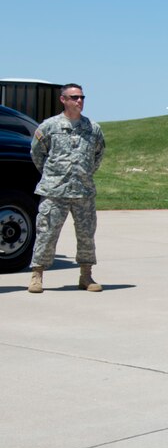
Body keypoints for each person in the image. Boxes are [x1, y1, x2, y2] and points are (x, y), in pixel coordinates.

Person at [27, 84, 106, 293]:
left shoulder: (92, 128)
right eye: (74, 97)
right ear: (63, 99)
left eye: (81, 97)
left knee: (86, 235)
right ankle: (37, 275)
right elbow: (37, 154)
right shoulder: (49, 126)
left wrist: (84, 173)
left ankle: (86, 275)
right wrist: (53, 176)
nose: (79, 101)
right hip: (55, 191)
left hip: (83, 191)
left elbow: (98, 155)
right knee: (47, 233)